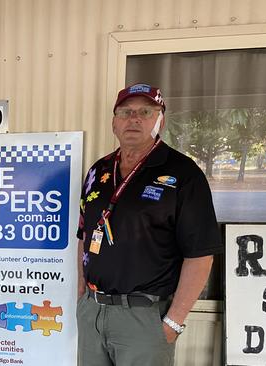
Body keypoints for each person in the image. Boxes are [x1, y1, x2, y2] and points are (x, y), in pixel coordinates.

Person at [76, 84, 222, 365]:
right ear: (114, 123)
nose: (134, 119)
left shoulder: (183, 174)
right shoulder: (99, 171)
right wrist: (82, 294)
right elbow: (84, 233)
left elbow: (200, 254)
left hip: (144, 317)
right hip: (92, 312)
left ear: (160, 120)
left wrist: (174, 322)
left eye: (145, 111)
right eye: (126, 112)